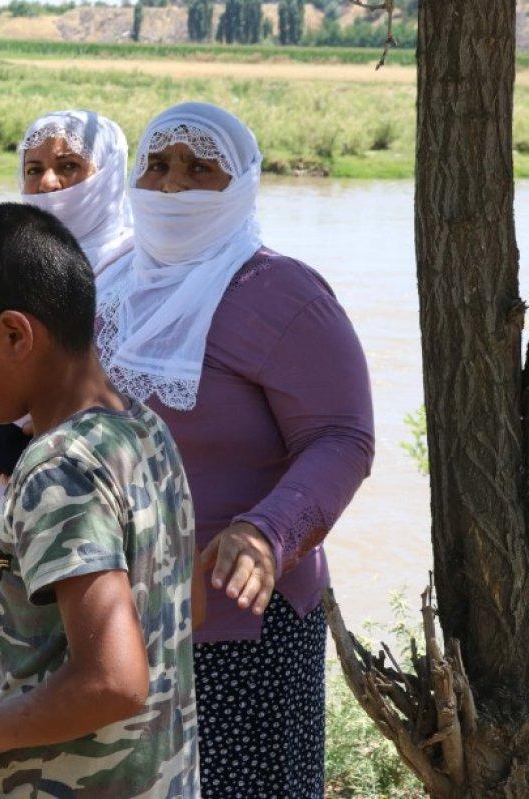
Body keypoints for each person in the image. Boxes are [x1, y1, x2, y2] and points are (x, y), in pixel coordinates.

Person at [99, 102, 375, 797]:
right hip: (114, 616)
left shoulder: (282, 293)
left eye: (200, 169)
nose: (171, 184)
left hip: (238, 629)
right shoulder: (107, 285)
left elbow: (342, 437)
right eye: (157, 165)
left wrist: (265, 531)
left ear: (243, 185)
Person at [0, 203, 199, 798]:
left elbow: (114, 680)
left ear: (15, 334)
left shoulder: (58, 469)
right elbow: (180, 612)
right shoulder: (142, 430)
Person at [0, 110, 134, 571]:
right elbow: (8, 405)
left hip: (86, 528)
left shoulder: (134, 275)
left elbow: (126, 411)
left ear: (108, 176)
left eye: (69, 166)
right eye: (34, 169)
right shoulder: (18, 269)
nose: (48, 183)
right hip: (13, 527)